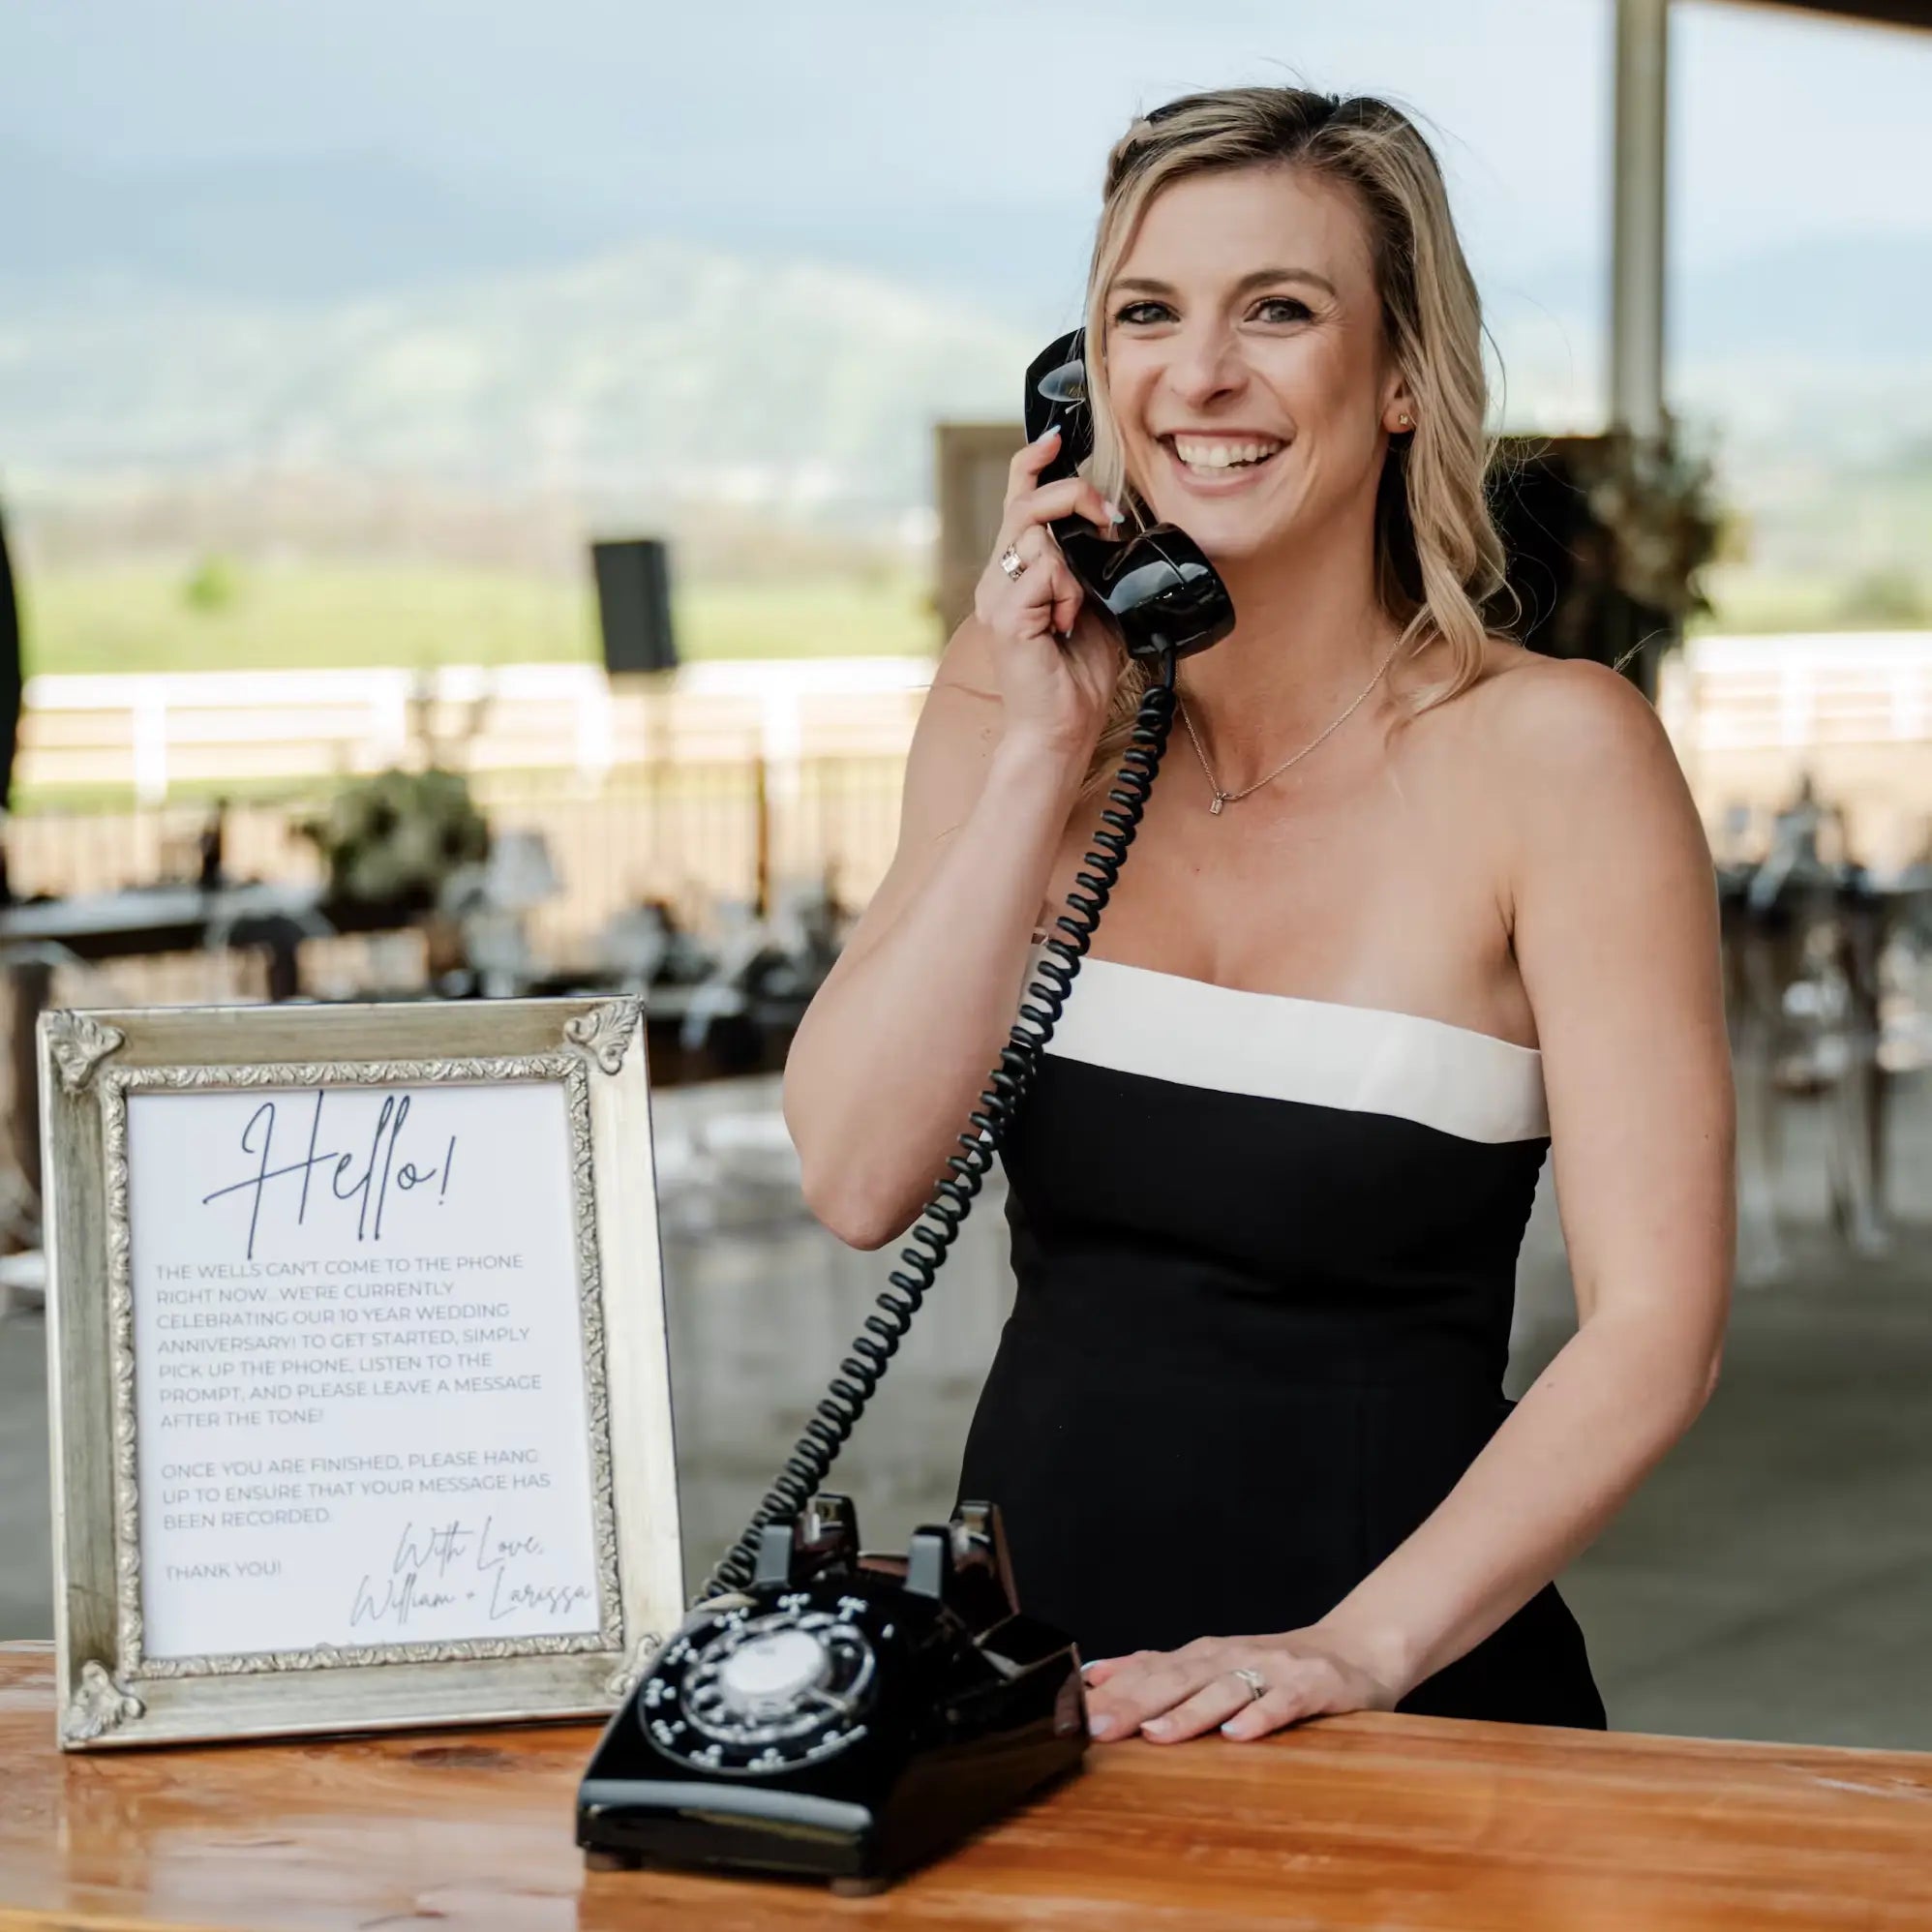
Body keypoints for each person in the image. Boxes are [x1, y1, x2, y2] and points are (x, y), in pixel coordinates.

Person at [782, 87, 1734, 1738]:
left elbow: (1657, 1329)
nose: (1200, 376)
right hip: (1040, 1716)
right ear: (1084, 388)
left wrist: (1354, 1653)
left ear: (1403, 380)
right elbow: (861, 1175)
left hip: (1410, 1710)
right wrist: (1038, 760)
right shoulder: (1013, 711)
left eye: (1277, 312)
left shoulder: (1556, 756)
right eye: (1146, 315)